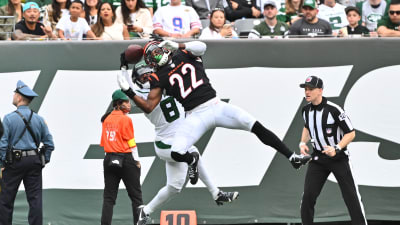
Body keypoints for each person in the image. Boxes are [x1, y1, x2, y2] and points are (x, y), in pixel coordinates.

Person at [117, 39, 311, 203]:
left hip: (216, 106)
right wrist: (129, 91)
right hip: (195, 115)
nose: (159, 56)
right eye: (154, 56)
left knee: (255, 126)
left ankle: (292, 157)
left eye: (159, 51)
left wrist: (179, 43)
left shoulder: (184, 54)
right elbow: (149, 106)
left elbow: (201, 46)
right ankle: (192, 162)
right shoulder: (158, 76)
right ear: (151, 63)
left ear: (165, 48)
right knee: (177, 151)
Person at [120, 61, 239, 225]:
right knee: (192, 152)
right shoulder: (140, 95)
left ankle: (145, 211)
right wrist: (123, 67)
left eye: (149, 73)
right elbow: (129, 89)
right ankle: (214, 190)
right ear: (137, 80)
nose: (147, 76)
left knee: (174, 187)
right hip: (165, 143)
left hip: (179, 139)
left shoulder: (165, 83)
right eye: (143, 75)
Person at [298, 76, 368, 225]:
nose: (307, 92)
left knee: (351, 197)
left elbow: (351, 133)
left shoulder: (333, 109)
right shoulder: (306, 111)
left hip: (339, 158)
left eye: (310, 89)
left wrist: (336, 148)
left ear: (320, 90)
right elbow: (307, 126)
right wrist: (302, 142)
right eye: (305, 89)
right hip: (318, 159)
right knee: (308, 197)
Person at [0, 80, 55, 225]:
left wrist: (1, 163)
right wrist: (44, 160)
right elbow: (49, 144)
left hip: (13, 163)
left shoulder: (8, 119)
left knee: (6, 201)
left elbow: (3, 144)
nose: (13, 96)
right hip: (34, 161)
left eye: (15, 93)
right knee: (35, 201)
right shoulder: (39, 119)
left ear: (19, 97)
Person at [100, 89, 143, 225]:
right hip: (126, 160)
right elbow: (131, 142)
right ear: (118, 104)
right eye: (126, 102)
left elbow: (104, 143)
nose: (129, 104)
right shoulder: (125, 119)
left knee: (108, 198)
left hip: (109, 159)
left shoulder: (106, 119)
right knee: (136, 198)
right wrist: (136, 160)